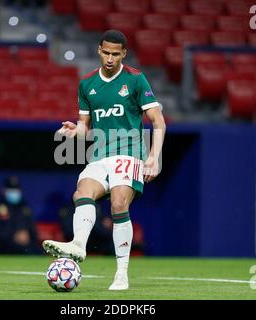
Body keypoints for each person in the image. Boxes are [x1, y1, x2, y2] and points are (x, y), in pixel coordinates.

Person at [43, 30, 166, 290]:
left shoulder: (135, 80)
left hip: (130, 152)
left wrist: (153, 158)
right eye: (106, 52)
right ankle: (78, 244)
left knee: (119, 203)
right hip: (100, 155)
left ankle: (121, 274)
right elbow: (85, 127)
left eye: (115, 54)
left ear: (124, 54)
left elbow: (158, 121)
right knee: (82, 193)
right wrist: (74, 132)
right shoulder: (87, 84)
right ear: (99, 50)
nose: (110, 58)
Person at [0, 176, 41, 254]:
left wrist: (27, 235)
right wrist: (13, 236)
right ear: (3, 190)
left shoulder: (24, 208)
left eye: (16, 189)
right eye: (11, 189)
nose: (14, 192)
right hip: (3, 246)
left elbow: (33, 229)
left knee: (38, 252)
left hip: (24, 245)